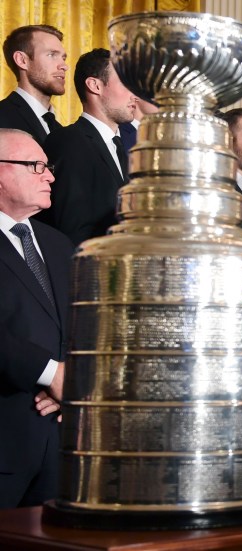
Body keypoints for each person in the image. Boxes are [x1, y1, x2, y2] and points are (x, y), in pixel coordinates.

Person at [0, 128, 73, 508]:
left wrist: (70, 385)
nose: (50, 176)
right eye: (35, 166)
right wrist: (51, 374)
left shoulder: (59, 244)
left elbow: (80, 328)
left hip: (56, 440)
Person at [37, 48, 135, 246]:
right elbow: (71, 231)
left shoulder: (121, 146)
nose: (135, 95)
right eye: (125, 83)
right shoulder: (69, 142)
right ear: (95, 85)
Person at [0, 25, 68, 145]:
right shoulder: (3, 117)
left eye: (63, 58)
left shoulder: (61, 131)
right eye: (52, 55)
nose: (64, 66)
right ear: (22, 60)